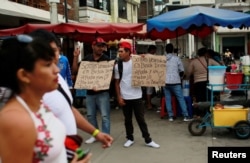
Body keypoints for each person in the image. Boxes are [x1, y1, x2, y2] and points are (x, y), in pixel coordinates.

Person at [0, 34, 91, 162]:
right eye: (48, 65)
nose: (57, 70)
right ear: (24, 75)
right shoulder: (16, 120)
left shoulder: (39, 105)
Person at [29, 30, 113, 158]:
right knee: (91, 114)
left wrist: (96, 133)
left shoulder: (58, 78)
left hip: (67, 153)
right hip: (56, 155)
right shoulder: (24, 99)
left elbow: (68, 109)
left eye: (55, 49)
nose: (53, 56)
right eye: (46, 51)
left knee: (105, 115)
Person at [114, 41, 160, 148]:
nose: (119, 54)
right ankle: (130, 138)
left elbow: (149, 60)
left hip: (137, 96)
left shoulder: (137, 61)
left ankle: (148, 140)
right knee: (127, 119)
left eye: (121, 51)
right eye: (119, 51)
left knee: (141, 119)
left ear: (128, 52)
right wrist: (119, 97)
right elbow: (116, 82)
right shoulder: (118, 66)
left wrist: (144, 57)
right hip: (125, 96)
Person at [72, 37, 111, 144]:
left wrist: (101, 85)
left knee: (105, 116)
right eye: (98, 46)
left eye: (102, 46)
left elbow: (110, 77)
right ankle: (95, 135)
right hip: (90, 93)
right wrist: (75, 57)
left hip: (103, 93)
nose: (101, 48)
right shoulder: (86, 59)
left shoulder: (107, 59)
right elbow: (75, 71)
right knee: (90, 115)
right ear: (93, 46)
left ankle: (106, 136)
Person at [186, 47, 220, 117]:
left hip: (198, 83)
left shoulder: (194, 61)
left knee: (199, 99)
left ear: (198, 54)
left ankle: (199, 114)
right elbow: (219, 66)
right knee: (207, 98)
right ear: (206, 53)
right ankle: (208, 113)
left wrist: (189, 75)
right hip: (208, 82)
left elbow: (188, 72)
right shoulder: (209, 60)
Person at [163, 43, 191, 122]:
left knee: (168, 99)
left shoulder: (162, 59)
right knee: (181, 99)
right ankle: (186, 116)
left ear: (165, 50)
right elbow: (182, 71)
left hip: (165, 82)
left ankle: (170, 116)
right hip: (176, 82)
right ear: (172, 50)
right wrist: (180, 78)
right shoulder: (177, 59)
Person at [145, 45, 157, 110]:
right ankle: (149, 104)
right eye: (155, 50)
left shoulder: (145, 56)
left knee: (150, 90)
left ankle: (148, 103)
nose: (155, 51)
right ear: (152, 50)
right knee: (149, 90)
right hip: (149, 76)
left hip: (147, 75)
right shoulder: (152, 57)